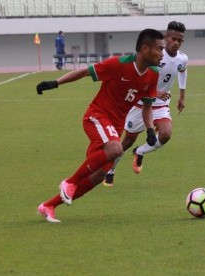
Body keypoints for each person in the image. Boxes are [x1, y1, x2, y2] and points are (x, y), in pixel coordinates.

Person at [36, 29, 165, 223]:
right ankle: (69, 182)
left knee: (99, 175)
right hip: (97, 116)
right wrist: (55, 83)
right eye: (159, 49)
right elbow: (84, 72)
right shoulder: (118, 64)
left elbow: (147, 107)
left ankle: (48, 206)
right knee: (116, 149)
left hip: (115, 126)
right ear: (145, 49)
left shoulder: (153, 74)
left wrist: (149, 130)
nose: (162, 53)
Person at [103, 21, 189, 186]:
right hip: (140, 104)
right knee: (126, 142)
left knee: (166, 134)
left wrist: (182, 96)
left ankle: (140, 152)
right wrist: (154, 92)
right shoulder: (154, 56)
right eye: (173, 39)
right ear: (166, 38)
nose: (176, 43)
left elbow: (182, 71)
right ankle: (111, 170)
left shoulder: (182, 58)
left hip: (161, 105)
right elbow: (138, 76)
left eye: (180, 40)